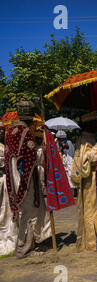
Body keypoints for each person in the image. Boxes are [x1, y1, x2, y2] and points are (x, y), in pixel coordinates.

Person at [4, 97, 51, 258]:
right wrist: (42, 150)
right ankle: (24, 248)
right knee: (28, 211)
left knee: (22, 210)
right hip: (26, 178)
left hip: (13, 177)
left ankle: (28, 242)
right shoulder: (26, 133)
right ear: (31, 117)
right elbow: (31, 157)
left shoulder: (10, 131)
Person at [71, 111, 97, 252]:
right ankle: (94, 241)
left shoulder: (93, 137)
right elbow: (84, 160)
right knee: (93, 210)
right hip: (90, 180)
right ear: (89, 124)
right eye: (95, 122)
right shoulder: (84, 139)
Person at [0, 121, 18, 257]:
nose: (1, 131)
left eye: (2, 129)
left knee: (6, 211)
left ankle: (8, 238)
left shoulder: (5, 146)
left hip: (5, 181)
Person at [56, 130, 76, 197]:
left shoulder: (69, 143)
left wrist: (63, 146)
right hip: (63, 163)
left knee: (70, 176)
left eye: (61, 139)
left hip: (69, 161)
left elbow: (67, 148)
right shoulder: (58, 144)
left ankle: (72, 193)